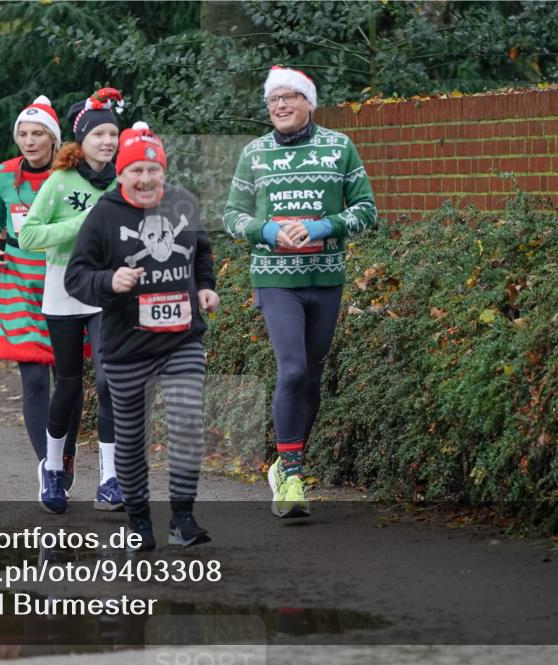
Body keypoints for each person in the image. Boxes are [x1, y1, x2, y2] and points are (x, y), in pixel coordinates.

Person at [223, 66, 377, 518]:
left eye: (291, 98)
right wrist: (267, 229)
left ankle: (286, 463)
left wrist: (325, 226)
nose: (281, 106)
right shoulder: (254, 154)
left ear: (309, 102)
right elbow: (232, 216)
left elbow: (367, 210)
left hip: (325, 277)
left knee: (310, 375)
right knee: (291, 371)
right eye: (274, 100)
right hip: (275, 279)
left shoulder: (338, 147)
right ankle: (291, 476)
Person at [66, 121, 218, 550]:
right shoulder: (104, 215)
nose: (146, 178)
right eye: (136, 170)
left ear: (163, 172)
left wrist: (206, 286)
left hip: (181, 340)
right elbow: (76, 277)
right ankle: (138, 522)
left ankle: (183, 519)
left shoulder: (183, 204)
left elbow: (201, 251)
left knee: (188, 423)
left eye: (153, 170)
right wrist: (109, 281)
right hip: (126, 346)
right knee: (132, 438)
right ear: (121, 173)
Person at [18, 88, 124, 514]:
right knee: (67, 385)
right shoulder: (60, 182)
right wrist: (82, 224)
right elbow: (29, 236)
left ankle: (111, 477)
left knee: (108, 380)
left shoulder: (123, 180)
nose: (107, 142)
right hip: (63, 291)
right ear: (82, 141)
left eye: (112, 135)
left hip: (107, 294)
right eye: (99, 135)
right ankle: (54, 467)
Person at [0, 95, 83, 486]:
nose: (30, 140)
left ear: (53, 139)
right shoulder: (4, 174)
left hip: (65, 279)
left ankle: (65, 454)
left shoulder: (74, 175)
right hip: (18, 279)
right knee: (35, 378)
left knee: (68, 378)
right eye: (23, 133)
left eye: (38, 133)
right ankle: (48, 468)